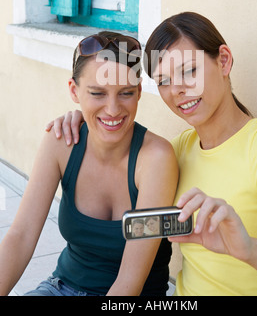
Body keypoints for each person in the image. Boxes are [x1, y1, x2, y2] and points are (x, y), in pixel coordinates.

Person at [47, 13, 257, 296]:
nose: (177, 89)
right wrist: (84, 119)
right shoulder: (176, 152)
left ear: (224, 61)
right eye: (164, 80)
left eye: (189, 71)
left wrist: (249, 249)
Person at [0, 31, 178, 296]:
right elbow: (21, 236)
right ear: (74, 91)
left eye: (126, 93)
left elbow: (130, 282)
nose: (113, 109)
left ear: (139, 92)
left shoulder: (156, 159)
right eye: (97, 93)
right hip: (61, 287)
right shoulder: (60, 142)